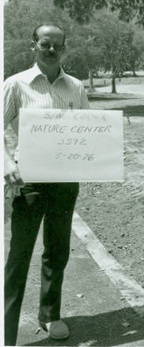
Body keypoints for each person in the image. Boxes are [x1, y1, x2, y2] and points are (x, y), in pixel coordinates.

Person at [3, 24, 90, 345]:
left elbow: (87, 131)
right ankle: (6, 330)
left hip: (65, 183)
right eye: (45, 44)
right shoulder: (16, 84)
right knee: (19, 257)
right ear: (33, 46)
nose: (51, 50)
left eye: (57, 45)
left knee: (57, 251)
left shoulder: (75, 87)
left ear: (64, 48)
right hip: (30, 182)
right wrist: (7, 163)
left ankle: (50, 315)